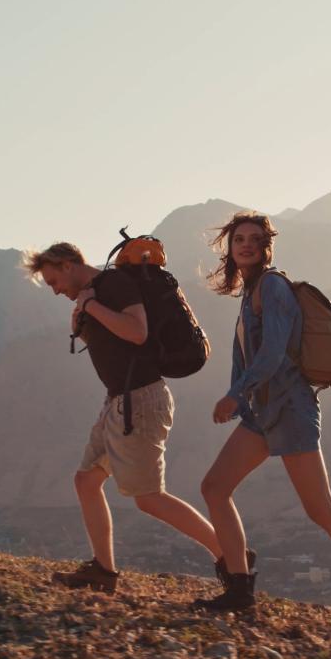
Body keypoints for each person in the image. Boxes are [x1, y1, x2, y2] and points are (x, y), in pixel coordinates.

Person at [191, 212, 331, 640]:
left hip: (289, 408)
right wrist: (239, 397)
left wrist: (237, 393)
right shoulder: (250, 291)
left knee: (321, 509)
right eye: (238, 240)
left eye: (254, 239)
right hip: (261, 413)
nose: (246, 245)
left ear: (267, 246)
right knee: (214, 487)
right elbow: (248, 355)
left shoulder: (271, 287)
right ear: (229, 250)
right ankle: (238, 587)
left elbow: (271, 353)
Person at [24, 242, 224, 592]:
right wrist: (84, 319)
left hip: (141, 402)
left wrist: (92, 306)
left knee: (149, 498)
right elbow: (116, 343)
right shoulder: (94, 295)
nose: (56, 291)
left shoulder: (114, 285)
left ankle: (230, 555)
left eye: (54, 280)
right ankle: (103, 570)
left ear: (67, 264)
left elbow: (137, 331)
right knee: (86, 481)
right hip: (118, 403)